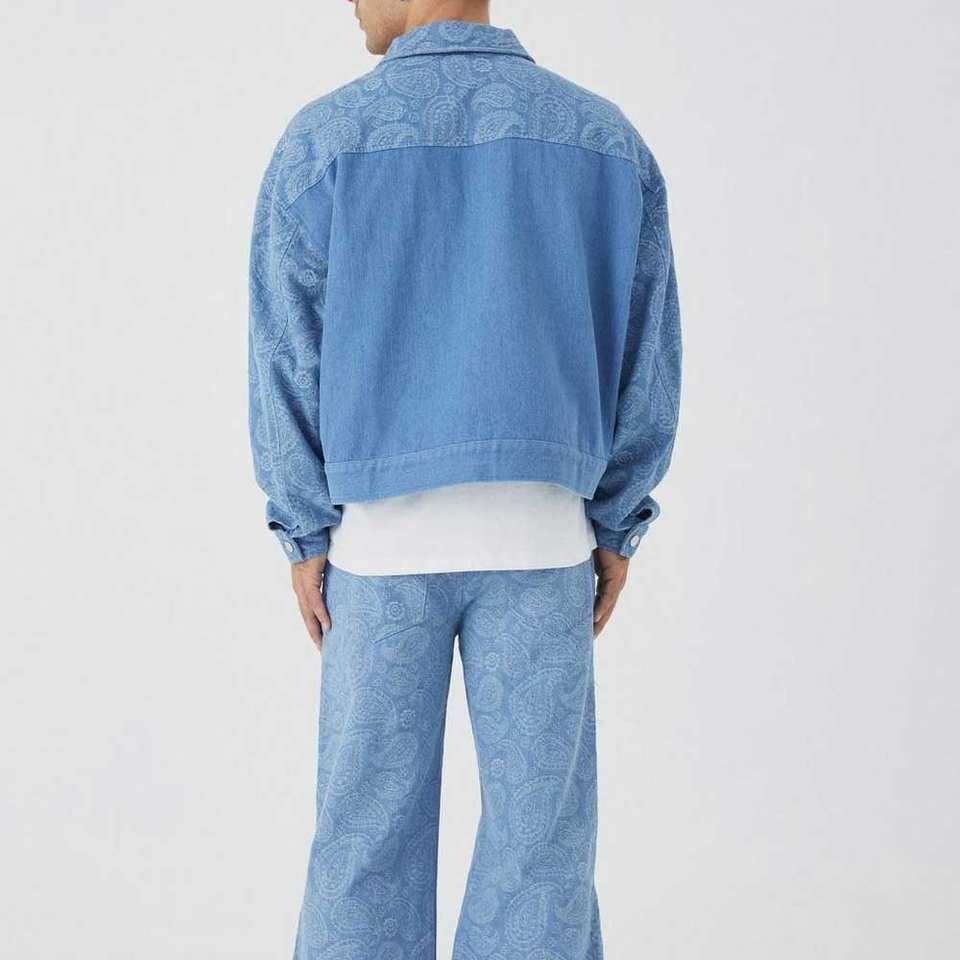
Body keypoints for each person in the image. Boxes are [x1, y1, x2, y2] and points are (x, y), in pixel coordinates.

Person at [247, 1, 682, 957]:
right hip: (544, 542)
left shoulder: (325, 140)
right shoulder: (602, 139)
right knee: (541, 854)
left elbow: (286, 352)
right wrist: (618, 518)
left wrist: (303, 528)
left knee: (364, 844)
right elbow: (646, 349)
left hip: (379, 549)